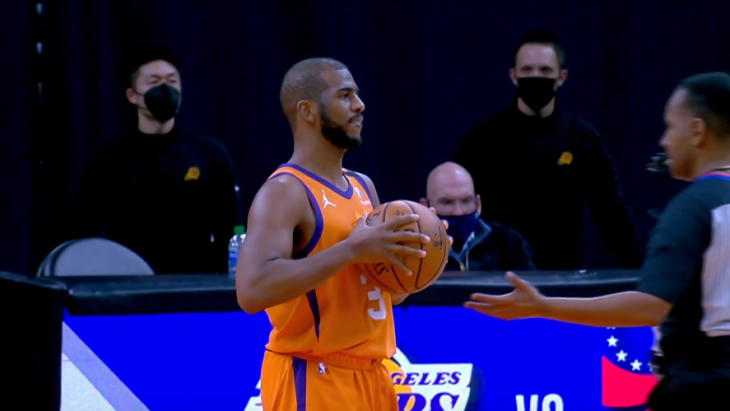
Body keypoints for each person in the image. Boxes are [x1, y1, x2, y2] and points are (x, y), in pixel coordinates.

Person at [464, 72, 730, 410]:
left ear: (697, 131)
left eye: (670, 127)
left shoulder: (694, 205)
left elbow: (651, 305)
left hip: (703, 386)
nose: (664, 141)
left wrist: (544, 306)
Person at [236, 58, 449, 411]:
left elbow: (384, 294)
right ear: (307, 110)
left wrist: (422, 259)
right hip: (314, 375)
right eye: (345, 95)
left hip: (375, 375)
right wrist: (351, 250)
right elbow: (251, 290)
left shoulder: (363, 186)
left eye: (358, 95)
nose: (360, 105)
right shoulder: (286, 190)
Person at [452, 29, 642, 270]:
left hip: (563, 275)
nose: (536, 77)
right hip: (499, 275)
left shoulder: (582, 137)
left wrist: (642, 273)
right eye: (527, 70)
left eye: (544, 71)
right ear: (513, 76)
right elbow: (456, 204)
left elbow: (611, 212)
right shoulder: (483, 137)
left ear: (561, 77)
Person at [72, 45, 243, 274]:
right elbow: (84, 233)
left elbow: (231, 227)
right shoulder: (108, 161)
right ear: (132, 95)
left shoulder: (209, 154)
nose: (165, 89)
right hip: (130, 284)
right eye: (154, 82)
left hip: (197, 283)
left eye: (172, 81)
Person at [420, 161, 535, 271]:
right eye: (447, 202)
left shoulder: (511, 243)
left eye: (466, 200)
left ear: (478, 204)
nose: (458, 212)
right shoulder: (414, 247)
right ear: (425, 206)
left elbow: (529, 285)